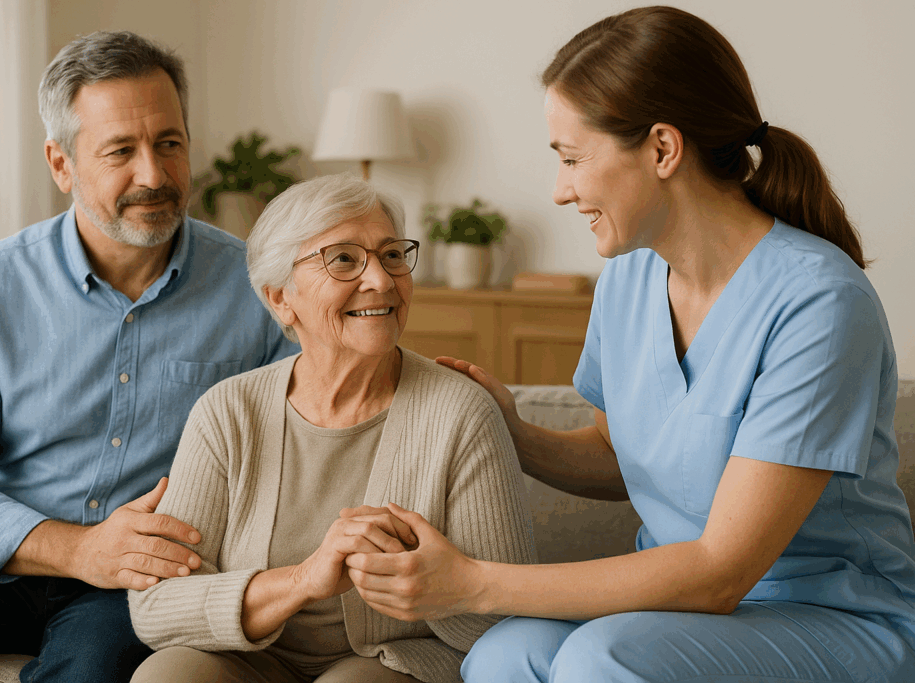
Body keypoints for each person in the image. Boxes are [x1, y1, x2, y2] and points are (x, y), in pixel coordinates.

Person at [340, 7, 915, 683]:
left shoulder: (819, 303)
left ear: (663, 149)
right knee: (504, 651)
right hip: (681, 617)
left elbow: (718, 574)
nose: (561, 190)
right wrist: (513, 431)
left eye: (572, 158)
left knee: (599, 658)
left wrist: (469, 583)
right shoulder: (629, 277)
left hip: (830, 617)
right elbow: (623, 458)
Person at [0, 31, 296, 683]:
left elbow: (312, 439)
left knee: (95, 671)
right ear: (61, 163)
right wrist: (80, 548)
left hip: (145, 577)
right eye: (120, 151)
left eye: (170, 143)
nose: (155, 175)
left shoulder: (257, 288)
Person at [125, 172, 536, 683]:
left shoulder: (460, 412)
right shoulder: (228, 411)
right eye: (344, 259)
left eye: (391, 255)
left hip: (387, 662)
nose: (382, 280)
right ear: (280, 298)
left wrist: (424, 578)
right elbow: (156, 605)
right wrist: (302, 580)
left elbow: (508, 621)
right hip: (249, 661)